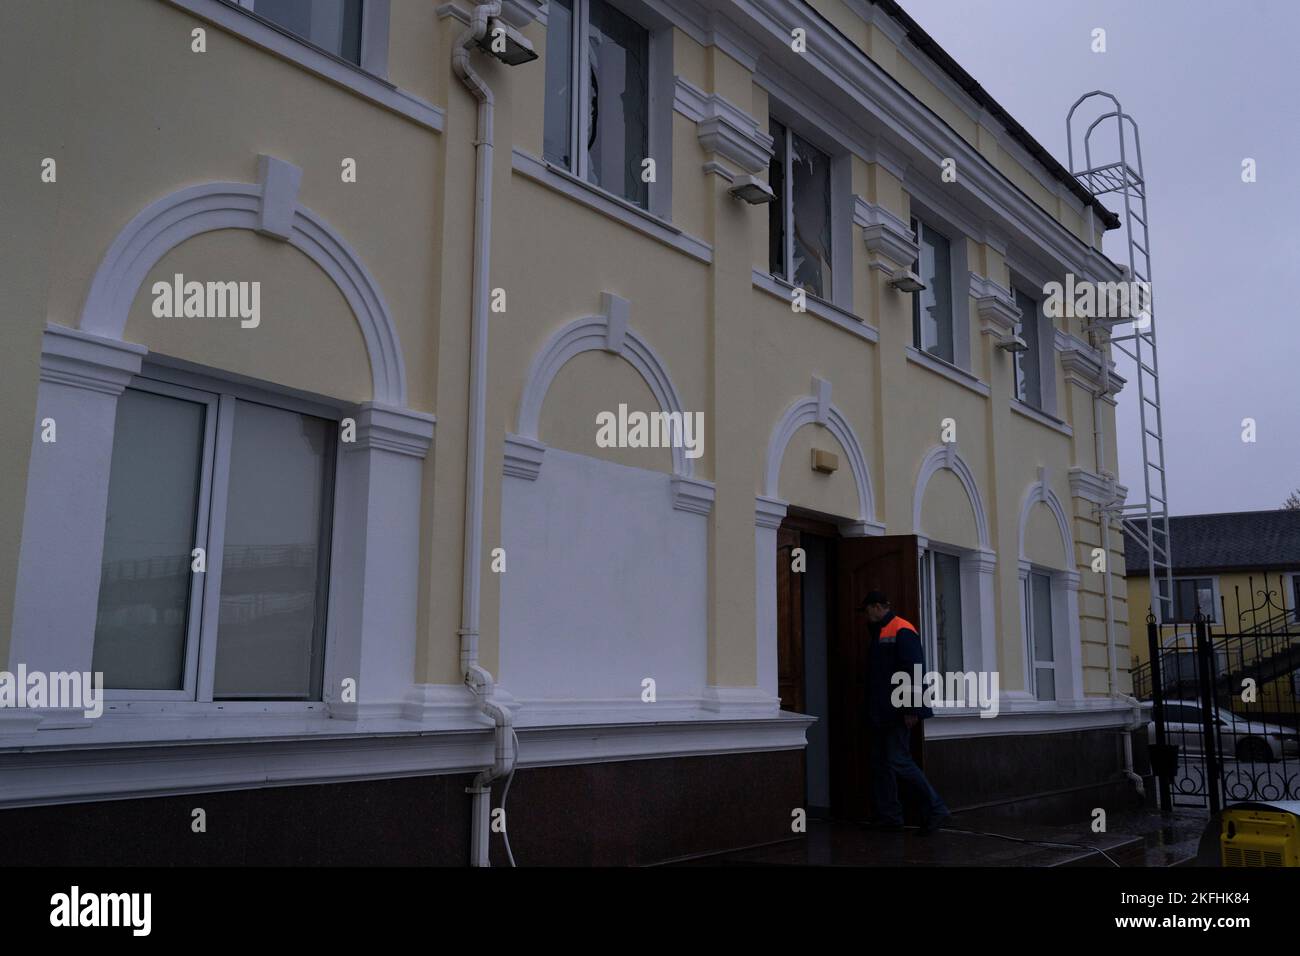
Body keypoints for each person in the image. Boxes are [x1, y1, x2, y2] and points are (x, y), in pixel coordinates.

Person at [861, 589, 951, 834]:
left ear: (878, 607)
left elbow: (913, 670)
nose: (866, 616)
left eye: (867, 610)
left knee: (898, 760)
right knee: (881, 764)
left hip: (898, 712)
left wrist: (912, 708)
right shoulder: (880, 631)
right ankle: (889, 816)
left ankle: (936, 808)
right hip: (882, 712)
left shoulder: (902, 629)